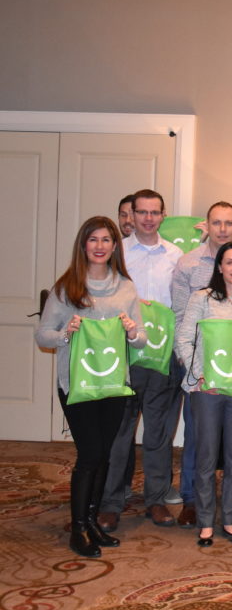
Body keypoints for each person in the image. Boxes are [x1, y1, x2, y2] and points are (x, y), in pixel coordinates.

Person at [35, 216, 147, 557]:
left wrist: (131, 330)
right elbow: (42, 335)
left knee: (105, 457)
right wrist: (65, 332)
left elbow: (141, 340)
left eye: (106, 240)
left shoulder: (126, 287)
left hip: (113, 384)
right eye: (93, 239)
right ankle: (78, 528)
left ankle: (93, 520)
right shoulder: (67, 286)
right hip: (77, 385)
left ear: (115, 246)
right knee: (90, 455)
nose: (99, 246)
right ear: (83, 245)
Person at [97, 189, 184, 533]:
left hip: (162, 357)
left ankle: (156, 499)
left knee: (159, 433)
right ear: (130, 215)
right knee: (119, 433)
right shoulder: (116, 252)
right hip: (123, 354)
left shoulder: (177, 256)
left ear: (163, 216)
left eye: (154, 213)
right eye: (141, 212)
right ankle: (111, 502)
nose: (148, 218)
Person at [171, 202, 232, 528]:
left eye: (229, 223)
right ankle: (192, 501)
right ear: (206, 225)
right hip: (202, 372)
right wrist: (195, 372)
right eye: (216, 223)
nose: (223, 229)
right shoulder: (187, 264)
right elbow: (182, 322)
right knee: (197, 438)